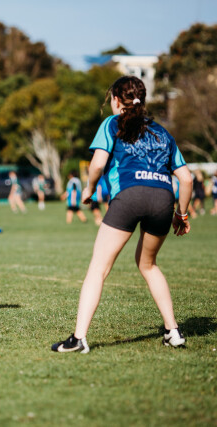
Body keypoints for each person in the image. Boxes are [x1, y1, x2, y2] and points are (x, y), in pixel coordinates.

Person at [52, 76, 192, 353]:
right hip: (163, 198)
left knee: (98, 268)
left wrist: (90, 189)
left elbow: (97, 165)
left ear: (116, 100)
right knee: (148, 264)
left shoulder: (112, 123)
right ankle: (173, 331)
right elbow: (186, 179)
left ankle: (79, 339)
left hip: (129, 195)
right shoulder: (162, 132)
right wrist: (182, 215)